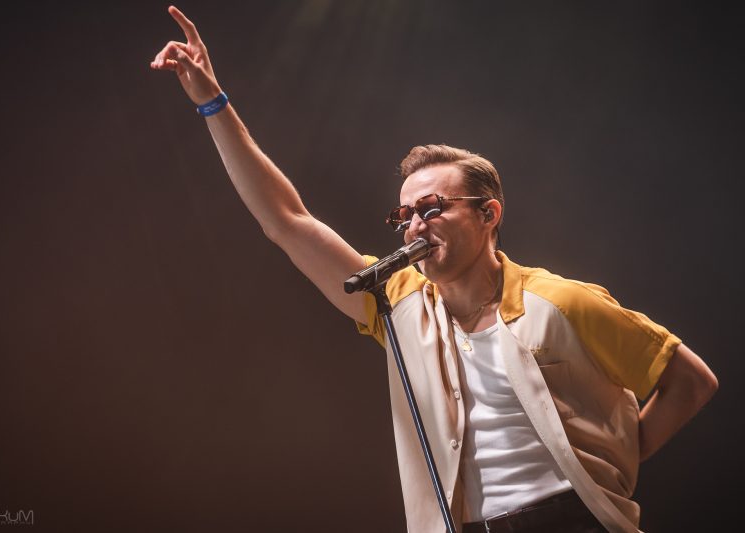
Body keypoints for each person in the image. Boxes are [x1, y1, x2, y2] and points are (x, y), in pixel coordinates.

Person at [150, 6, 718, 533]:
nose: (415, 226)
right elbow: (287, 220)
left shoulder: (561, 301)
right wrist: (213, 103)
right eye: (405, 215)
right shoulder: (396, 303)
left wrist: (616, 462)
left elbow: (690, 382)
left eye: (432, 208)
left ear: (488, 214)